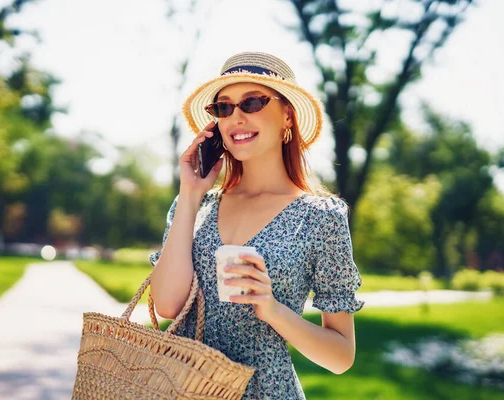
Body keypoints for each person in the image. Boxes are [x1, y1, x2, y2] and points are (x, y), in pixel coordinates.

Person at [149, 51, 364, 399]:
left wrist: (274, 310)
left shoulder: (321, 218)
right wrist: (189, 193)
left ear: (288, 116)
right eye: (223, 107)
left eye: (252, 102)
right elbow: (167, 306)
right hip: (182, 389)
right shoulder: (196, 204)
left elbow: (341, 356)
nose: (236, 117)